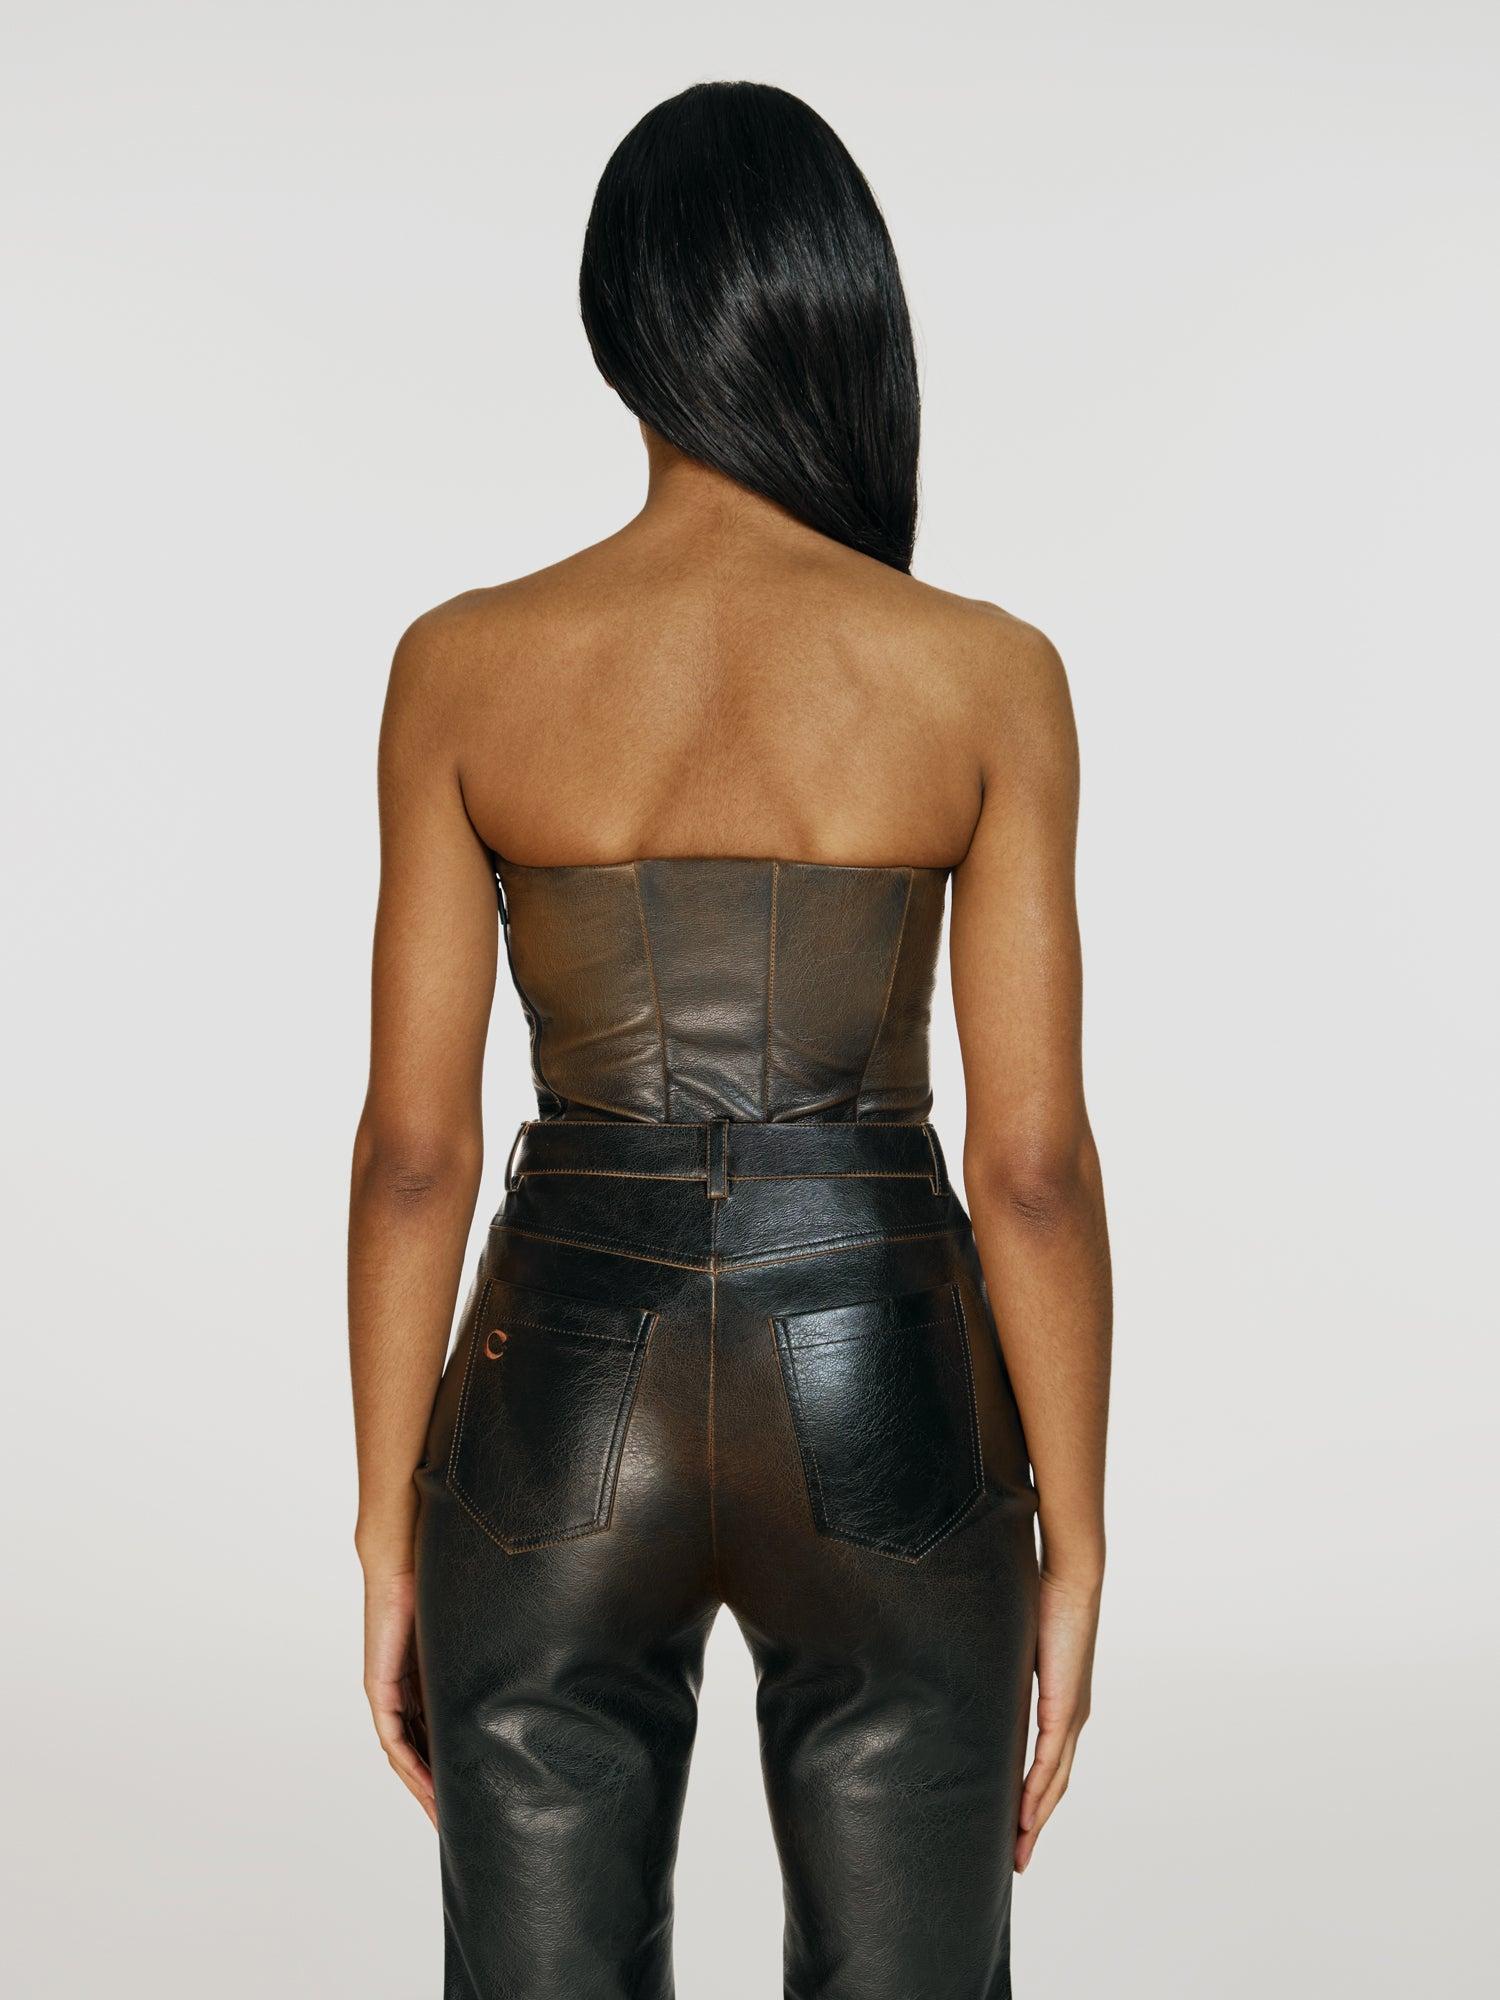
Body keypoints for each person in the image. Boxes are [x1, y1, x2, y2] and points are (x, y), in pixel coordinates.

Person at [348, 79, 1111, 2000]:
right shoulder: (985, 675)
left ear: (620, 330)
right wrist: (1079, 1540)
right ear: (846, 315)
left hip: (557, 1389)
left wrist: (384, 1530)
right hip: (887, 1384)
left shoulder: (463, 666)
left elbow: (415, 1155)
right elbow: (1029, 1171)